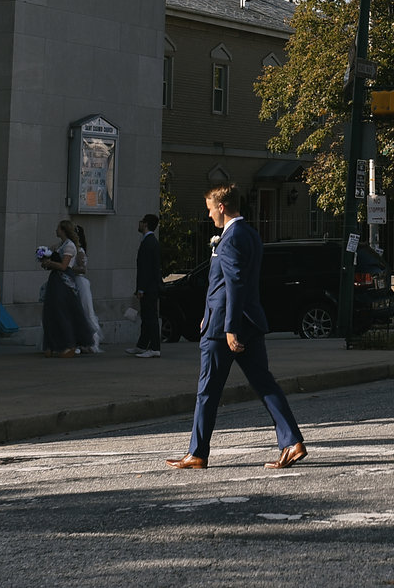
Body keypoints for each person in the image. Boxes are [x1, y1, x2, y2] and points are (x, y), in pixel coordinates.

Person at [167, 184, 306, 471]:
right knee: (265, 384)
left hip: (225, 328)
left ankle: (197, 453)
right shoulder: (251, 234)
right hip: (249, 322)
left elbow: (234, 284)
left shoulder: (229, 240)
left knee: (207, 391)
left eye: (209, 209)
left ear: (221, 207)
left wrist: (229, 327)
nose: (208, 216)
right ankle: (292, 442)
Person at [40, 223, 91, 357]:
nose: (55, 230)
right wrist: (46, 261)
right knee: (51, 312)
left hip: (64, 280)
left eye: (58, 228)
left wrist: (50, 263)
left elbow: (64, 266)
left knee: (62, 312)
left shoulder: (69, 246)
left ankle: (68, 345)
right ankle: (52, 344)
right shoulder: (60, 245)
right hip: (55, 279)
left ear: (63, 230)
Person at [65, 221, 102, 353]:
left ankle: (87, 341)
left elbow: (83, 269)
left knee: (83, 311)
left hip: (78, 283)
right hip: (69, 281)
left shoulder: (79, 251)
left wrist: (68, 268)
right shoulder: (67, 247)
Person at [129, 214, 163, 358]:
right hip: (150, 286)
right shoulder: (149, 241)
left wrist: (141, 288)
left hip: (149, 287)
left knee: (150, 317)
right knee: (146, 316)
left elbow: (146, 268)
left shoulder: (149, 242)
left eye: (141, 222)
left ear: (146, 224)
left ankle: (154, 347)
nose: (139, 224)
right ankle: (142, 345)